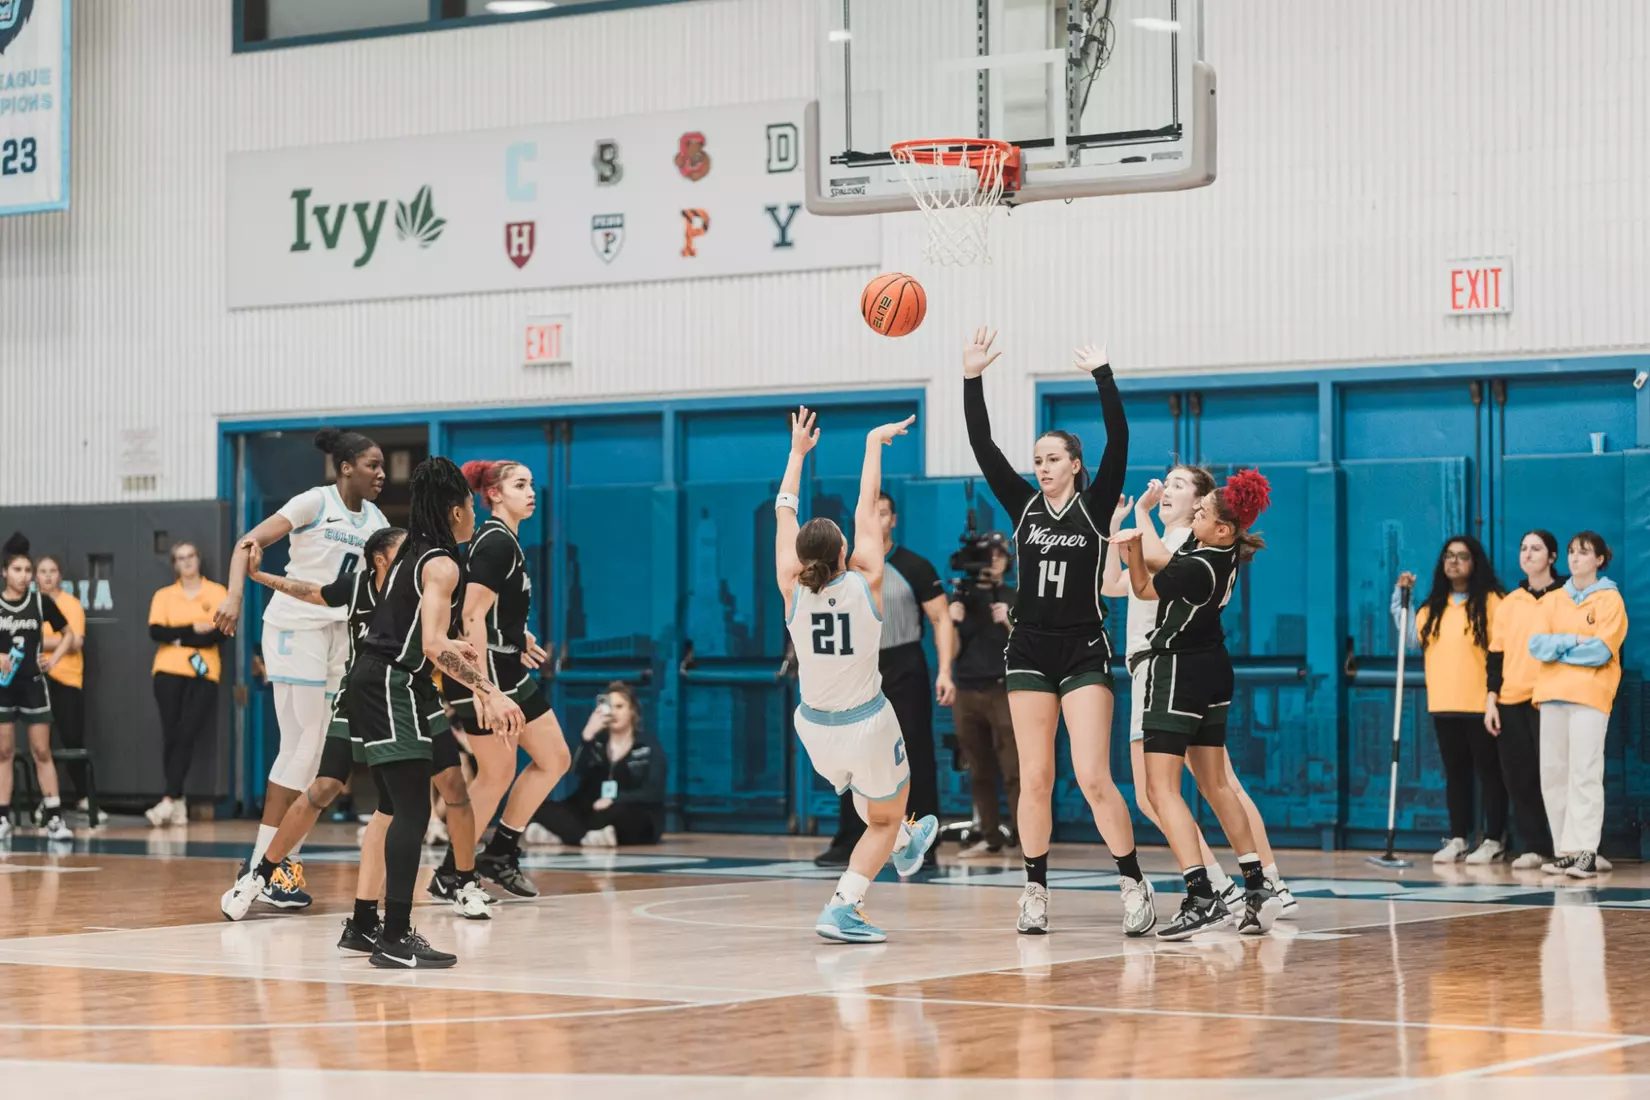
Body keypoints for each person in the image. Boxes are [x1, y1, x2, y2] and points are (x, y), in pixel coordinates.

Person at [961, 329, 1153, 938]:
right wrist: (972, 378)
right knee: (1036, 777)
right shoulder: (1021, 505)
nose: (1042, 468)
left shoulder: (1096, 507)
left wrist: (1104, 375)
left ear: (1075, 464)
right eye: (1037, 459)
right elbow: (982, 444)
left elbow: (1119, 438)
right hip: (1029, 650)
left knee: (1094, 777)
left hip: (1083, 648)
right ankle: (1036, 890)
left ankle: (1133, 882)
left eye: (1053, 459)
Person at [219, 527, 489, 932]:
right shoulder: (359, 584)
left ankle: (464, 882)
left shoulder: (423, 582)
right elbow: (313, 592)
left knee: (453, 784)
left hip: (415, 694)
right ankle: (260, 874)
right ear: (381, 558)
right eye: (402, 552)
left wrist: (452, 643)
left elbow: (429, 637)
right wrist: (259, 578)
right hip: (362, 694)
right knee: (325, 786)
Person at [777, 406, 939, 943]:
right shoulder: (868, 577)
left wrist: (797, 455)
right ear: (845, 550)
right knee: (886, 816)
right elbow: (867, 506)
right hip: (866, 720)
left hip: (813, 727)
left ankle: (905, 843)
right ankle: (846, 904)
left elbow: (784, 510)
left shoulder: (790, 588)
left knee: (874, 797)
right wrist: (872, 444)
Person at [1105, 469, 1298, 918]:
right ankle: (1258, 884)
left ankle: (1210, 890)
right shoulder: (1201, 544)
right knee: (1213, 784)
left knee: (1161, 791)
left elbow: (1145, 580)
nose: (1172, 493)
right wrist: (1122, 532)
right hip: (1200, 668)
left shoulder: (1187, 551)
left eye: (1184, 489)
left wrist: (1138, 520)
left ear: (1212, 517)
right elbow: (1117, 584)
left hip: (1170, 668)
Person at [355, 457, 522, 967]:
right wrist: (488, 690)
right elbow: (429, 644)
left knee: (395, 808)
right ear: (456, 510)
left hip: (372, 678)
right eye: (470, 505)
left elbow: (420, 631)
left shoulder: (413, 552)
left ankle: (364, 927)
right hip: (390, 682)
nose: (473, 514)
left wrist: (454, 645)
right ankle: (396, 936)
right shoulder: (444, 565)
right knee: (413, 811)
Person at [215, 428, 388, 907]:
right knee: (307, 746)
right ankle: (264, 866)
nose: (381, 474)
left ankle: (272, 865)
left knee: (310, 752)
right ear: (346, 466)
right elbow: (248, 543)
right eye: (373, 464)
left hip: (340, 634)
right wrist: (233, 595)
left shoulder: (373, 517)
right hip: (295, 627)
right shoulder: (314, 501)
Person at [433, 459, 570, 901]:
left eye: (532, 483)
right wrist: (483, 690)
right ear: (493, 494)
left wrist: (516, 635)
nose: (531, 491)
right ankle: (454, 872)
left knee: (554, 758)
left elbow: (489, 614)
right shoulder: (495, 543)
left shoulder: (505, 540)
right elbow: (469, 616)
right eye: (520, 484)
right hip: (486, 674)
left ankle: (501, 852)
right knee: (496, 773)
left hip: (506, 666)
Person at [814, 490, 955, 866]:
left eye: (883, 513)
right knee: (852, 754)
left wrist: (944, 670)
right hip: (858, 668)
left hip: (904, 666)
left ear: (893, 519)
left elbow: (941, 619)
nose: (876, 520)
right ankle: (848, 841)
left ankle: (924, 844)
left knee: (914, 754)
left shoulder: (915, 566)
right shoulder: (848, 568)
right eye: (869, 513)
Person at [1394, 535, 1507, 864]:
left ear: (1475, 563)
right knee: (1456, 773)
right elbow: (1410, 640)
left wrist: (1495, 696)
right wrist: (1401, 596)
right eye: (1448, 556)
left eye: (1462, 556)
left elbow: (1503, 651)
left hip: (1481, 705)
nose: (1454, 561)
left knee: (1490, 773)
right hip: (1444, 703)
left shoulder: (1493, 602)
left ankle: (1494, 839)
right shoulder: (1433, 607)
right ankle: (1459, 837)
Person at [1529, 531, 1628, 880]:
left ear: (1599, 559)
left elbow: (1600, 651)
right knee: (1554, 774)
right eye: (1571, 552)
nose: (1574, 558)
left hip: (1590, 695)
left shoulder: (1610, 600)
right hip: (1552, 695)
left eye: (1583, 553)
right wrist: (1572, 640)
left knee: (1584, 772)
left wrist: (1561, 650)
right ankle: (1567, 851)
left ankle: (1587, 849)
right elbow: (1537, 646)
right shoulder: (1553, 600)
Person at [1485, 530, 1564, 870]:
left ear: (1552, 557)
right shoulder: (1509, 602)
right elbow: (1496, 656)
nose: (1528, 554)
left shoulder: (1567, 597)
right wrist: (1492, 700)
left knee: (1559, 776)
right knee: (1519, 777)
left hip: (1551, 698)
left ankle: (1571, 848)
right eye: (1523, 548)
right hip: (1512, 699)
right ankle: (1535, 846)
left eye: (1536, 549)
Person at [146, 543, 229, 829]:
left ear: (198, 559)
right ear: (175, 564)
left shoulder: (217, 592)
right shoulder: (164, 595)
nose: (187, 562)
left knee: (186, 732)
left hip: (204, 673)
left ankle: (169, 798)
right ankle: (177, 800)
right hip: (168, 670)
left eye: (190, 556)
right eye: (180, 558)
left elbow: (220, 634)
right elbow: (157, 631)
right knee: (171, 733)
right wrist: (194, 629)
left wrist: (179, 636)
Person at [947, 534, 1020, 857]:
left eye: (999, 556)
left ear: (1008, 560)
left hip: (1003, 688)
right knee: (978, 769)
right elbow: (949, 650)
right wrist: (952, 621)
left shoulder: (1015, 595)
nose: (993, 562)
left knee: (1015, 769)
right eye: (987, 556)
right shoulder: (961, 597)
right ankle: (990, 835)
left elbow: (1030, 645)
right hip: (965, 688)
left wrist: (1009, 621)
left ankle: (1025, 837)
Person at [0, 534, 75, 841]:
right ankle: (3, 818)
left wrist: (53, 659)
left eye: (27, 570)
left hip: (33, 684)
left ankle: (54, 818)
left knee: (41, 750)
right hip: (4, 686)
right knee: (3, 751)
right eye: (17, 570)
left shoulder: (40, 602)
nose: (24, 576)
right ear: (5, 572)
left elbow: (69, 633)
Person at [531, 683, 666, 847]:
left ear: (632, 711)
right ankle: (588, 837)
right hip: (592, 809)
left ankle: (567, 835)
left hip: (629, 809)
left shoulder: (647, 746)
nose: (614, 712)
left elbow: (654, 792)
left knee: (620, 815)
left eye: (620, 706)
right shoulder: (598, 743)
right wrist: (587, 736)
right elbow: (576, 770)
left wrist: (615, 799)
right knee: (537, 806)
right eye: (610, 707)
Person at [35, 556, 91, 821]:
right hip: (36, 681)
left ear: (60, 575)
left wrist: (44, 642)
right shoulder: (30, 605)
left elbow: (76, 640)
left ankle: (85, 797)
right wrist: (58, 641)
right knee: (39, 745)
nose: (47, 576)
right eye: (42, 571)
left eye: (52, 571)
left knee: (71, 739)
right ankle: (46, 800)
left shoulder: (71, 605)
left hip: (67, 679)